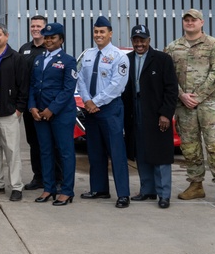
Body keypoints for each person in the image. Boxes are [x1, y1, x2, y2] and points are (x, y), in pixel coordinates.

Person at [164, 8, 215, 209]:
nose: (190, 22)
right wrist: (181, 95)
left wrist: (198, 96)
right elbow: (168, 76)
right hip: (184, 105)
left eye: (194, 20)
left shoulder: (214, 46)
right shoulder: (173, 47)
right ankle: (196, 185)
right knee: (189, 147)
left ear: (202, 22)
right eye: (186, 20)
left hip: (210, 106)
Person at [77, 16, 131, 208]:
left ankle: (123, 194)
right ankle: (99, 189)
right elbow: (81, 79)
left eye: (102, 32)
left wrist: (96, 102)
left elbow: (118, 85)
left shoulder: (119, 57)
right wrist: (87, 101)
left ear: (110, 33)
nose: (98, 35)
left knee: (116, 152)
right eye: (96, 32)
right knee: (95, 151)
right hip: (91, 109)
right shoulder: (89, 54)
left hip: (110, 109)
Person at [123, 24, 178, 209]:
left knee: (160, 153)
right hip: (135, 110)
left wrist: (165, 114)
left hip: (156, 111)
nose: (139, 44)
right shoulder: (127, 59)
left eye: (143, 40)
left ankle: (164, 194)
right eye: (136, 40)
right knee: (141, 151)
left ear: (149, 40)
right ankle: (147, 190)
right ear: (132, 41)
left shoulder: (162, 59)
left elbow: (171, 89)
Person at [27, 22, 77, 206]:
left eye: (52, 37)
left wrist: (51, 110)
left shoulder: (68, 60)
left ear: (61, 40)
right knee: (45, 152)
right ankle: (49, 188)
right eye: (46, 37)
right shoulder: (39, 59)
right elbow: (32, 85)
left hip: (61, 114)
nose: (48, 41)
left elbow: (68, 90)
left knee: (65, 153)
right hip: (40, 114)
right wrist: (32, 107)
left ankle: (66, 191)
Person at [0, 23, 27, 202]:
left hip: (8, 111)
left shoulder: (16, 58)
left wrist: (19, 110)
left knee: (12, 150)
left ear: (6, 36)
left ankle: (16, 186)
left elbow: (24, 86)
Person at [18, 14, 48, 190]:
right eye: (33, 26)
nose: (35, 29)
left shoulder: (50, 48)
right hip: (30, 105)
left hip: (46, 105)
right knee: (33, 142)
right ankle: (38, 177)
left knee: (48, 143)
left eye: (39, 26)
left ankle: (54, 177)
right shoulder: (24, 49)